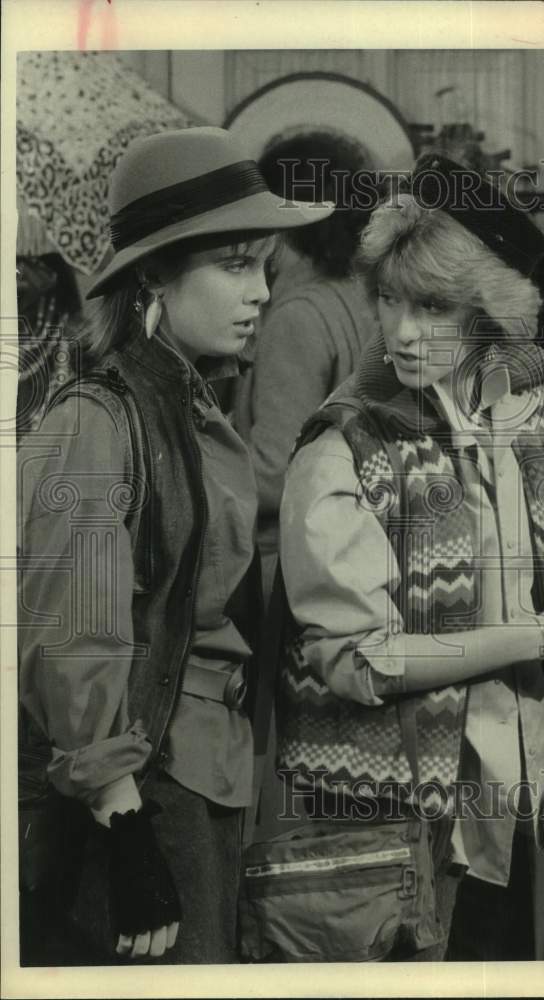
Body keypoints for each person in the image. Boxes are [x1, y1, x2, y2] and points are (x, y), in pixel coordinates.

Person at [274, 153, 544, 961]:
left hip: (500, 802)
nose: (402, 330)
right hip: (390, 829)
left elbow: (512, 585)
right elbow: (363, 661)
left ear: (487, 314)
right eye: (391, 299)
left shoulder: (506, 406)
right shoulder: (346, 446)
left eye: (432, 306)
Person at [16, 126, 332, 964]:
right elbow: (70, 641)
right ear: (153, 274)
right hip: (143, 791)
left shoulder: (190, 403)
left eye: (265, 265)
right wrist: (125, 831)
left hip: (208, 775)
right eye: (234, 266)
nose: (261, 291)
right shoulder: (95, 418)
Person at [234, 131, 378, 600]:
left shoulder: (298, 316)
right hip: (362, 548)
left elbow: (275, 476)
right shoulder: (372, 294)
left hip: (293, 568)